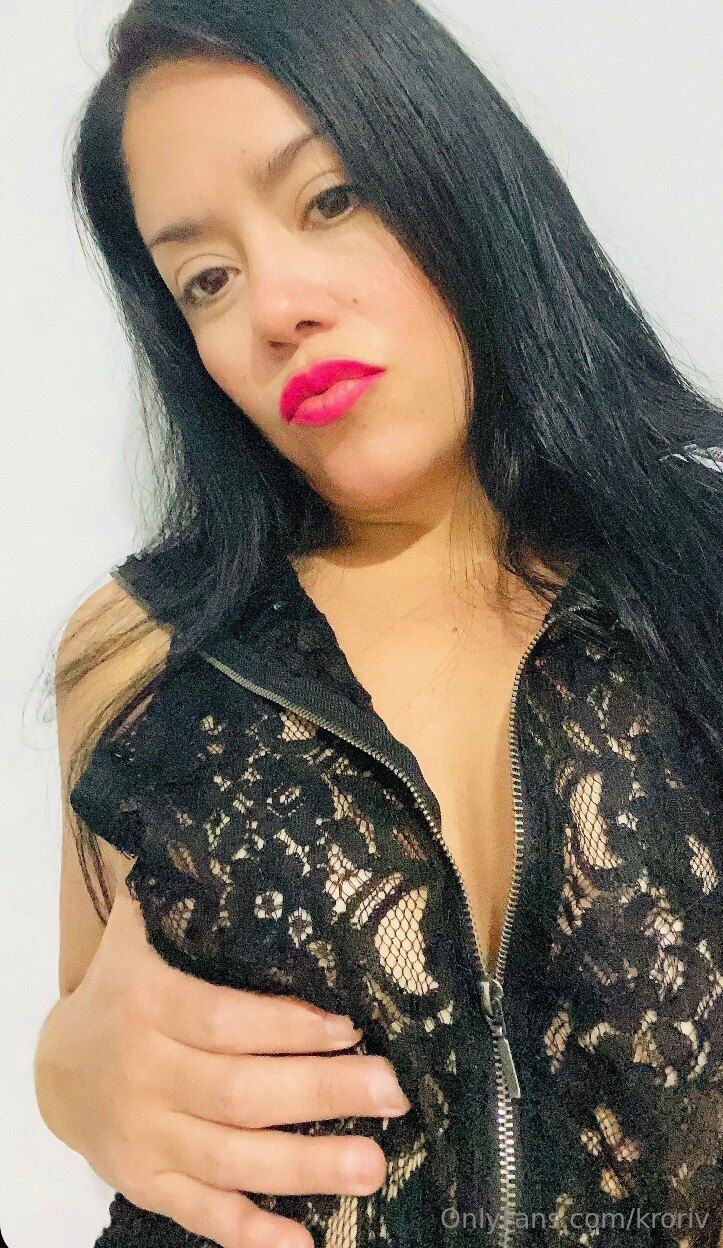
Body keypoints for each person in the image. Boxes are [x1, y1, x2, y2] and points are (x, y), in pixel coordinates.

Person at [34, 1, 723, 1247]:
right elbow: (100, 1043)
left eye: (331, 198)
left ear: (455, 172)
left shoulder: (702, 574)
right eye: (206, 278)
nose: (274, 308)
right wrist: (64, 1080)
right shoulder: (138, 652)